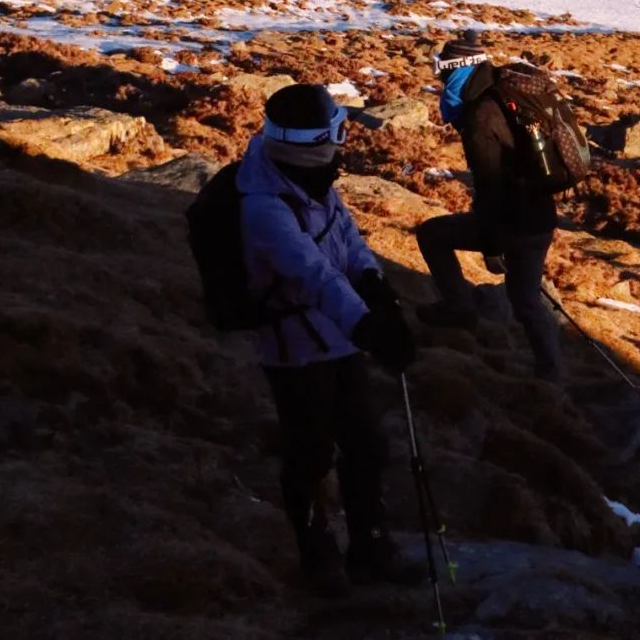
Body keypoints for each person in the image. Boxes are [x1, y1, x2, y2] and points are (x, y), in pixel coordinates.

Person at [237, 82, 419, 594]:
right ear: (316, 140)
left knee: (366, 444)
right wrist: (368, 327)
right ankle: (318, 558)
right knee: (311, 453)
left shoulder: (312, 177)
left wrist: (375, 285)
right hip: (294, 348)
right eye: (338, 132)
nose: (345, 142)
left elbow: (347, 240)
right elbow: (312, 275)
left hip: (339, 339)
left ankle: (371, 546)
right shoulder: (264, 208)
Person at [415, 33, 562, 380]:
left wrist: (494, 245)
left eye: (443, 74)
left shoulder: (482, 115)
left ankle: (459, 308)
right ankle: (552, 372)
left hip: (514, 221)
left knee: (432, 235)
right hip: (540, 216)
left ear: (457, 71)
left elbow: (491, 185)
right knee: (526, 300)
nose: (440, 81)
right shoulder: (501, 94)